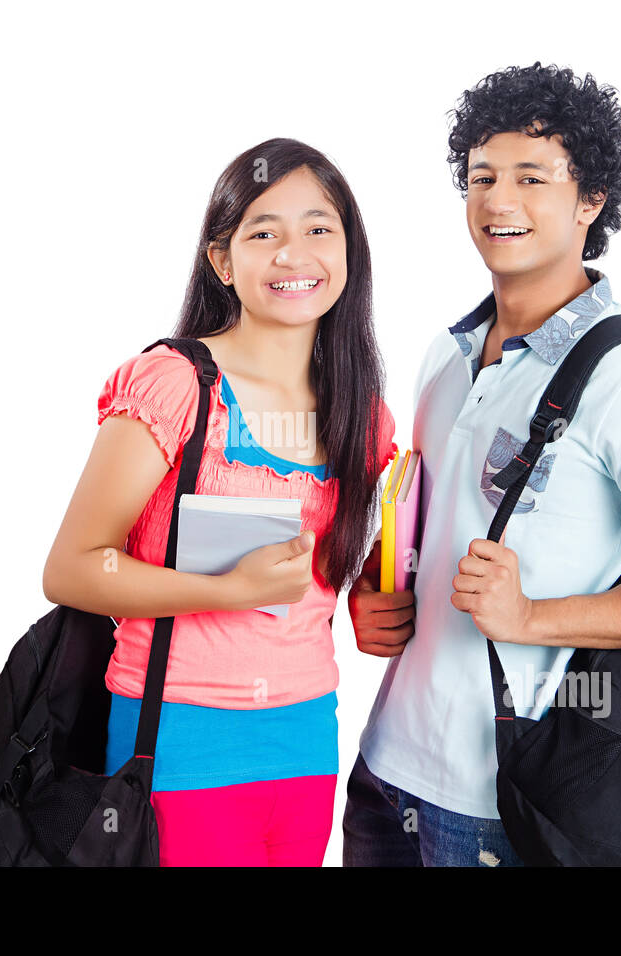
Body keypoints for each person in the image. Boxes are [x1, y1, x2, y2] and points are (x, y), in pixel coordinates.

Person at [343, 63, 621, 867]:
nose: (499, 200)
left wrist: (533, 618)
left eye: (532, 177)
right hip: (385, 773)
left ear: (591, 201)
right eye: (482, 176)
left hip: (510, 800)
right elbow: (426, 525)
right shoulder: (447, 352)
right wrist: (378, 588)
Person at [43, 138, 396, 866]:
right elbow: (73, 568)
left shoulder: (361, 416)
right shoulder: (175, 385)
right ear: (223, 263)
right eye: (263, 232)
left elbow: (343, 572)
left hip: (306, 740)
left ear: (349, 254)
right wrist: (228, 589)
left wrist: (370, 593)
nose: (294, 254)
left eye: (318, 229)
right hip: (180, 740)